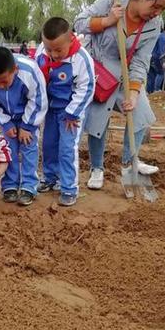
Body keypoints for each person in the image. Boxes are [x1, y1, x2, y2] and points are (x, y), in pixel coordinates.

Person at [74, 0, 165, 190]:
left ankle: (129, 164)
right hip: (99, 72)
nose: (157, 13)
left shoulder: (154, 24)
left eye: (162, 9)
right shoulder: (112, 1)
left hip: (126, 74)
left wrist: (134, 92)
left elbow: (141, 60)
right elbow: (79, 23)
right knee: (98, 120)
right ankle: (96, 168)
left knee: (140, 113)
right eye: (155, 6)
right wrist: (107, 21)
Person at [36, 17, 95, 206]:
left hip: (70, 114)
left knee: (67, 149)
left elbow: (86, 88)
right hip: (50, 110)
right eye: (49, 49)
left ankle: (69, 187)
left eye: (58, 50)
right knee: (48, 144)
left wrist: (72, 113)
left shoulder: (82, 58)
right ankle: (49, 178)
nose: (53, 54)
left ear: (71, 38)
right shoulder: (41, 53)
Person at [0, 46, 48, 206]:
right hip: (7, 119)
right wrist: (5, 123)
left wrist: (27, 126)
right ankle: (10, 185)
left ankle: (29, 186)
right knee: (8, 150)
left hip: (28, 117)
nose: (1, 86)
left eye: (4, 81)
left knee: (29, 147)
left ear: (15, 70)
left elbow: (38, 100)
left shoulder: (30, 71)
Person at [147, 23, 165, 93]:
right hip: (157, 58)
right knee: (160, 73)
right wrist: (163, 61)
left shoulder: (157, 35)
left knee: (151, 75)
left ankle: (149, 91)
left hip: (151, 57)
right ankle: (156, 90)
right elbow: (161, 50)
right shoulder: (163, 37)